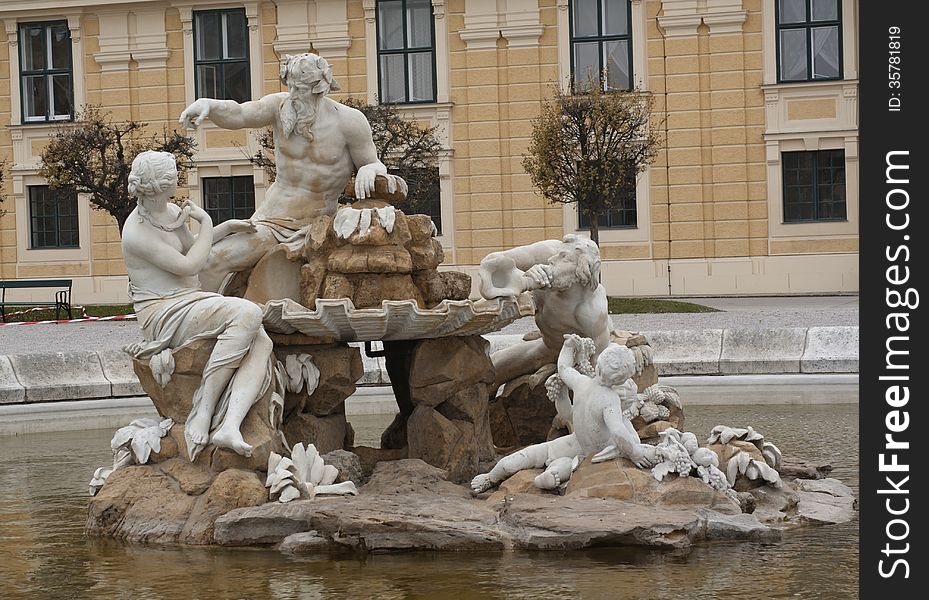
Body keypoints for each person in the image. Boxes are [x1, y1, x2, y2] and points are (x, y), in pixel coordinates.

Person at [178, 52, 406, 292]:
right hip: (270, 221)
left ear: (320, 88)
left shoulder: (349, 122)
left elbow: (373, 163)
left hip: (316, 225)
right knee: (212, 260)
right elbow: (240, 113)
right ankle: (207, 325)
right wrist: (209, 105)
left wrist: (369, 170)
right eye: (291, 87)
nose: (295, 95)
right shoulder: (279, 107)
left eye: (302, 89)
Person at [121, 150, 274, 462]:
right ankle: (204, 411)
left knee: (261, 339)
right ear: (157, 185)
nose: (178, 180)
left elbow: (192, 245)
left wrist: (225, 228)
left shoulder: (167, 211)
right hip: (164, 312)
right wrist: (207, 221)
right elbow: (191, 264)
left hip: (190, 301)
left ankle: (229, 425)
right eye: (173, 176)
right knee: (249, 312)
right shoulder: (135, 232)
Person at [471, 334, 658, 493]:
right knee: (571, 464)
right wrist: (636, 453)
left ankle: (491, 477)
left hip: (576, 442)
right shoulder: (610, 399)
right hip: (594, 450)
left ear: (599, 365)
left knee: (533, 453)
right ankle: (556, 472)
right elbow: (618, 431)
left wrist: (568, 346)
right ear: (622, 379)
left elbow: (564, 368)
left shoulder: (581, 382)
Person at [480, 235, 613, 389]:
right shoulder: (546, 252)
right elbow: (491, 262)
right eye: (559, 253)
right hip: (545, 345)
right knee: (487, 372)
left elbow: (599, 364)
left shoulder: (590, 311)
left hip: (569, 357)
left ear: (582, 271)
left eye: (565, 258)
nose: (552, 260)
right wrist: (522, 276)